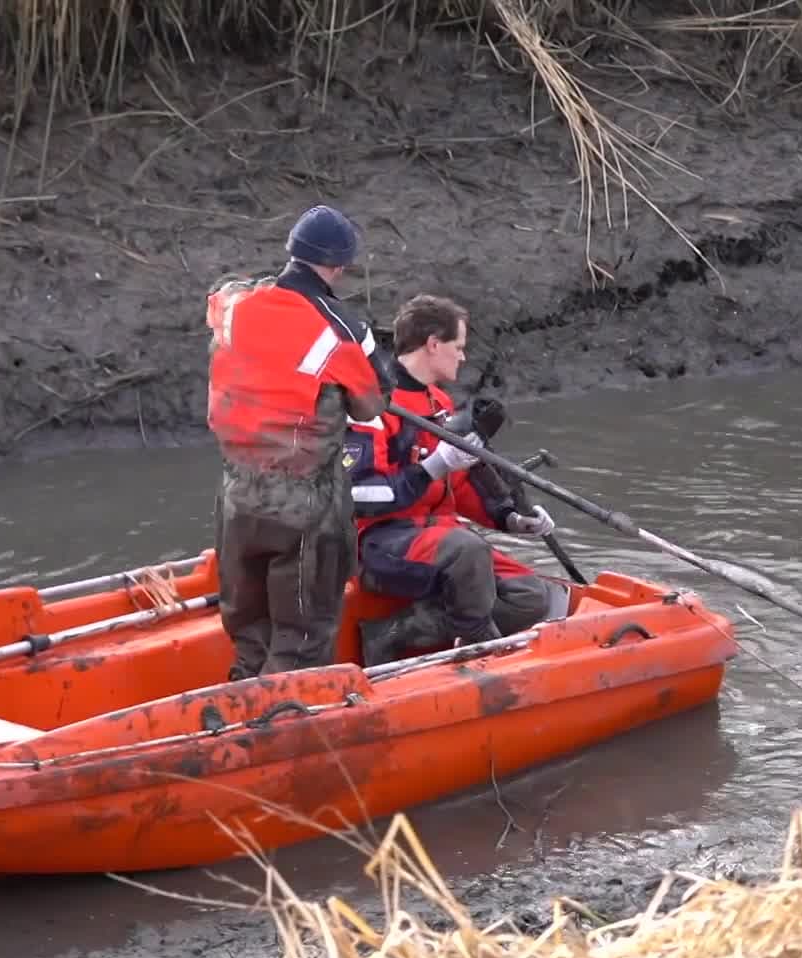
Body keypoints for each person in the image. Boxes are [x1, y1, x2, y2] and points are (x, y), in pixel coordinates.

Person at [204, 205, 394, 679]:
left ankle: (241, 706)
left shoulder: (234, 307)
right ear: (340, 265)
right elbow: (372, 404)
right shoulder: (342, 330)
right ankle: (287, 725)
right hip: (306, 506)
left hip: (236, 499)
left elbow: (220, 296)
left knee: (248, 630)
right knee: (302, 637)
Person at [341, 294, 563, 667]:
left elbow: (458, 486)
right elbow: (357, 494)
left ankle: (398, 632)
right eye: (458, 347)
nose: (462, 357)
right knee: (466, 548)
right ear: (433, 344)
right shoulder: (373, 407)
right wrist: (431, 468)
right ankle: (482, 647)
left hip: (441, 537)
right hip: (381, 544)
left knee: (530, 596)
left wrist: (508, 519)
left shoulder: (439, 402)